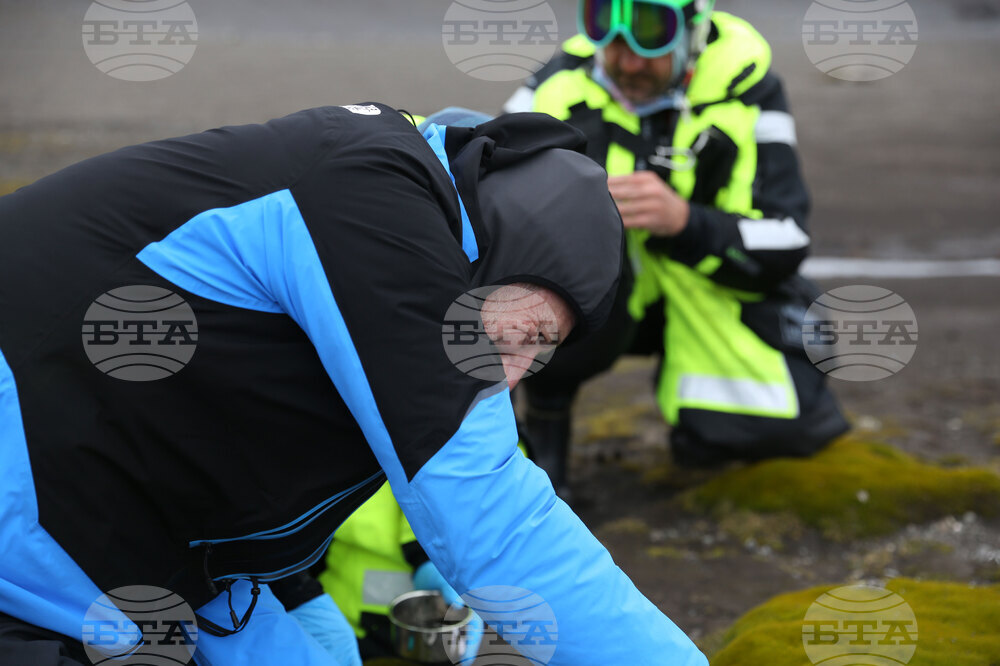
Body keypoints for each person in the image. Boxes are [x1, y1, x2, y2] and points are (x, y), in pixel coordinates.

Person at [0, 104, 707, 665]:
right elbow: (497, 522)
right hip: (34, 479)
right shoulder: (376, 195)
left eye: (542, 351)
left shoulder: (375, 203)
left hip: (131, 512)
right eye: (524, 330)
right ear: (488, 257)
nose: (514, 371)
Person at [504, 0, 850, 489]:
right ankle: (546, 418)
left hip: (706, 281)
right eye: (608, 32)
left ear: (693, 31)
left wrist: (686, 222)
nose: (627, 62)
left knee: (779, 426)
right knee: (522, 285)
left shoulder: (748, 85)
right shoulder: (558, 81)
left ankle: (707, 433)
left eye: (650, 36)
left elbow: (788, 236)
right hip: (608, 292)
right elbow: (490, 204)